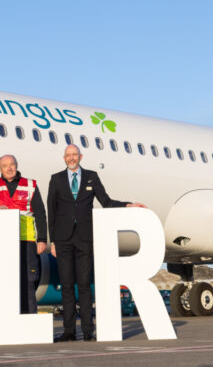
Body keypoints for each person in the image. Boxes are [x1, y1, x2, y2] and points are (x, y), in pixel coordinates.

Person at [47, 143, 145, 342]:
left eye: (75, 155)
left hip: (84, 238)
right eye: (68, 155)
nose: (72, 158)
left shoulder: (92, 176)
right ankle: (68, 331)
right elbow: (52, 211)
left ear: (80, 156)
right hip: (63, 239)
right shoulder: (56, 179)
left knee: (84, 285)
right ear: (64, 158)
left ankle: (87, 331)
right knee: (66, 285)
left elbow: (106, 202)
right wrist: (53, 241)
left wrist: (127, 205)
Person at [0, 154, 48, 315]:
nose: (9, 168)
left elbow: (40, 212)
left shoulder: (30, 185)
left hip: (26, 240)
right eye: (5, 165)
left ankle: (29, 321)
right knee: (0, 281)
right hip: (2, 241)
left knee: (28, 280)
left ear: (17, 165)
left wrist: (41, 239)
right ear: (0, 169)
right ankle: (1, 326)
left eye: (12, 164)